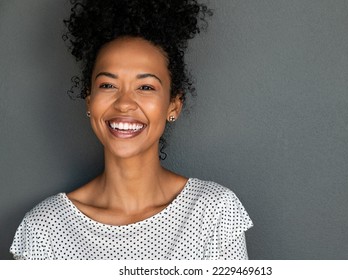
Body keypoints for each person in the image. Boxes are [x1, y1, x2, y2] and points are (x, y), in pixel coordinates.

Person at [10, 0, 253, 260]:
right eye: (107, 85)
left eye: (146, 87)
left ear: (174, 104)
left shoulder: (214, 213)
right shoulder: (44, 231)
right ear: (89, 100)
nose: (124, 103)